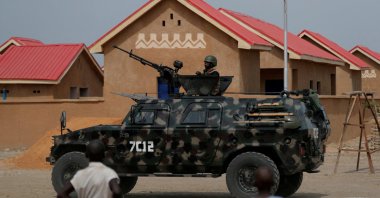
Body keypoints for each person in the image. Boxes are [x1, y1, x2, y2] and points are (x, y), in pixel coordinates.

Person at [57, 140, 122, 198]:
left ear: (86, 155)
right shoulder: (109, 173)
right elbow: (117, 192)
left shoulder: (80, 174)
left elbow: (61, 194)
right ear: (104, 155)